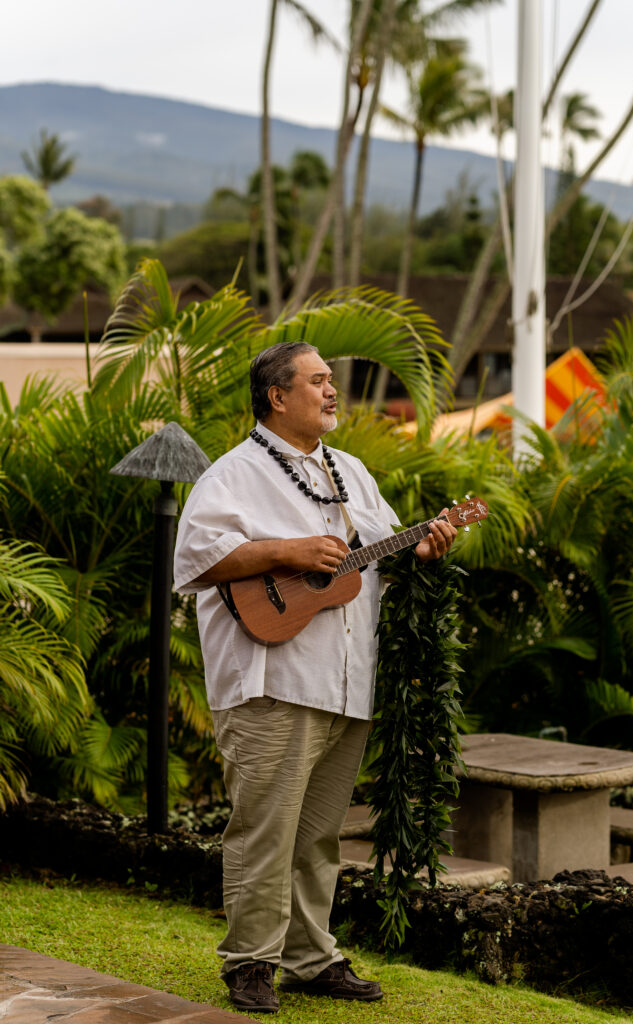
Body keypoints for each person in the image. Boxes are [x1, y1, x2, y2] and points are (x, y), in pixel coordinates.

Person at [173, 341, 457, 1014]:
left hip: (345, 679)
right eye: (318, 381)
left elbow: (381, 548)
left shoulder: (350, 472)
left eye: (333, 381)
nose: (333, 391)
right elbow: (193, 559)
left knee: (318, 832)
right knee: (265, 828)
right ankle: (249, 963)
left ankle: (308, 957)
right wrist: (282, 549)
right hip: (273, 679)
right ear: (277, 396)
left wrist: (424, 542)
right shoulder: (234, 475)